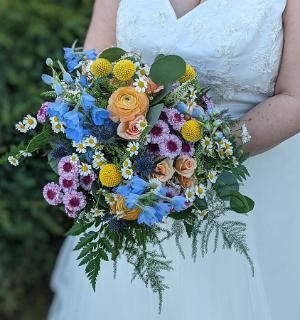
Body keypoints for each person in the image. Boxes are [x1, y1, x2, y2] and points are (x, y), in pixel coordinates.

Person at [48, 1, 300, 319]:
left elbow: (296, 97)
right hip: (134, 186)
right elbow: (93, 68)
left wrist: (198, 154)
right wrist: (116, 148)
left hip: (251, 185)